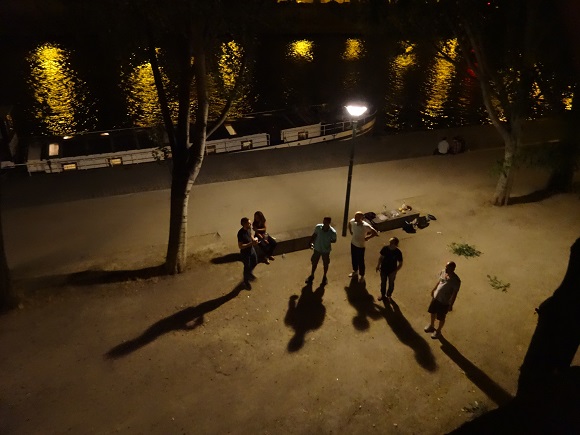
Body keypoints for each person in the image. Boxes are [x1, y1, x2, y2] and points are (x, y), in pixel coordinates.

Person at [424, 261, 461, 339]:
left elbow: (455, 294)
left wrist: (451, 305)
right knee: (432, 312)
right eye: (446, 267)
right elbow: (439, 281)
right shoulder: (443, 272)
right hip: (436, 297)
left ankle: (438, 331)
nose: (446, 269)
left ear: (453, 269)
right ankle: (431, 325)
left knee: (441, 317)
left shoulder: (456, 281)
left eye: (448, 268)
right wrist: (434, 290)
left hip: (444, 302)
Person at [348, 211, 379, 281]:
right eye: (355, 216)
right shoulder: (353, 221)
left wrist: (368, 237)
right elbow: (349, 223)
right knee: (354, 258)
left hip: (360, 246)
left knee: (360, 261)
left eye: (357, 217)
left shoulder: (365, 226)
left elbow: (375, 232)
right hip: (353, 243)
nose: (355, 218)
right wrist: (350, 231)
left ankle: (362, 275)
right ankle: (355, 271)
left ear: (361, 218)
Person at [305, 217, 337, 285]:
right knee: (314, 262)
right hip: (317, 248)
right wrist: (310, 242)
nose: (324, 223)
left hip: (325, 250)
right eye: (324, 221)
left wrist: (327, 241)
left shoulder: (332, 232)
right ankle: (312, 275)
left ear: (329, 222)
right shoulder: (318, 227)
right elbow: (314, 235)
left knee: (325, 264)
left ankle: (324, 276)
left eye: (326, 222)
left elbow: (334, 240)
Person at [376, 237, 403, 302]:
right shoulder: (385, 248)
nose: (390, 244)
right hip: (383, 269)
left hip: (392, 271)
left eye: (392, 243)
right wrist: (378, 265)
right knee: (383, 283)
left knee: (391, 284)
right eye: (390, 242)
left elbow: (400, 263)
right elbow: (381, 258)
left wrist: (395, 271)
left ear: (396, 244)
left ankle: (389, 295)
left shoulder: (398, 252)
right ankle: (383, 295)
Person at [237, 217, 259, 289]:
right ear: (244, 224)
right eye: (249, 223)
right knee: (247, 267)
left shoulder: (249, 229)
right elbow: (240, 246)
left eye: (250, 222)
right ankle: (246, 281)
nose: (250, 224)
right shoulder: (240, 234)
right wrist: (251, 243)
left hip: (251, 250)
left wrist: (254, 239)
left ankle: (249, 273)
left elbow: (251, 235)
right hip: (245, 253)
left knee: (255, 262)